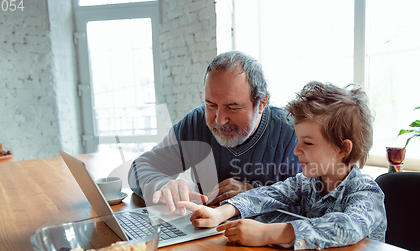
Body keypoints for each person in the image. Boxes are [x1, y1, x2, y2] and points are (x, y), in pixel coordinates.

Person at [177, 81, 387, 250]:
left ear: (342, 149)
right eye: (298, 140)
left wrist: (268, 233)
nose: (296, 150)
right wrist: (222, 213)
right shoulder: (308, 182)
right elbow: (269, 194)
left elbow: (346, 227)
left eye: (308, 143)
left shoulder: (366, 192)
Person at [129, 50, 301, 214]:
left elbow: (312, 205)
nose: (219, 121)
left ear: (262, 103)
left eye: (232, 107)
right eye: (211, 105)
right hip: (205, 235)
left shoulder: (292, 131)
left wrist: (256, 195)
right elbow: (138, 169)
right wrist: (161, 185)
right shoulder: (196, 122)